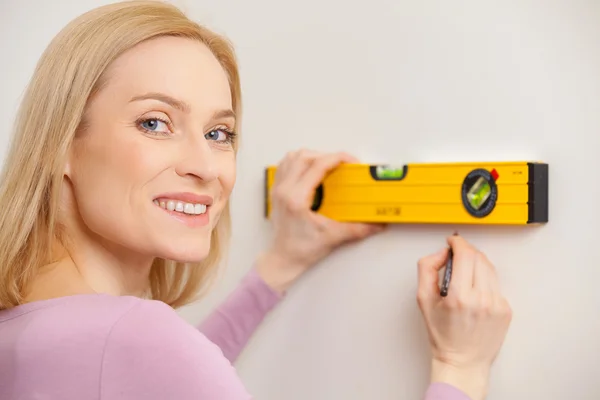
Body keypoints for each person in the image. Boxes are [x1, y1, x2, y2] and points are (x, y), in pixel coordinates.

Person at [0, 1, 512, 400]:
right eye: (155, 123)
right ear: (59, 145)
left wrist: (279, 266)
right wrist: (459, 369)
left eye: (220, 133)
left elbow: (156, 376)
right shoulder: (135, 339)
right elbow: (153, 363)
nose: (206, 166)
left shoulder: (34, 329)